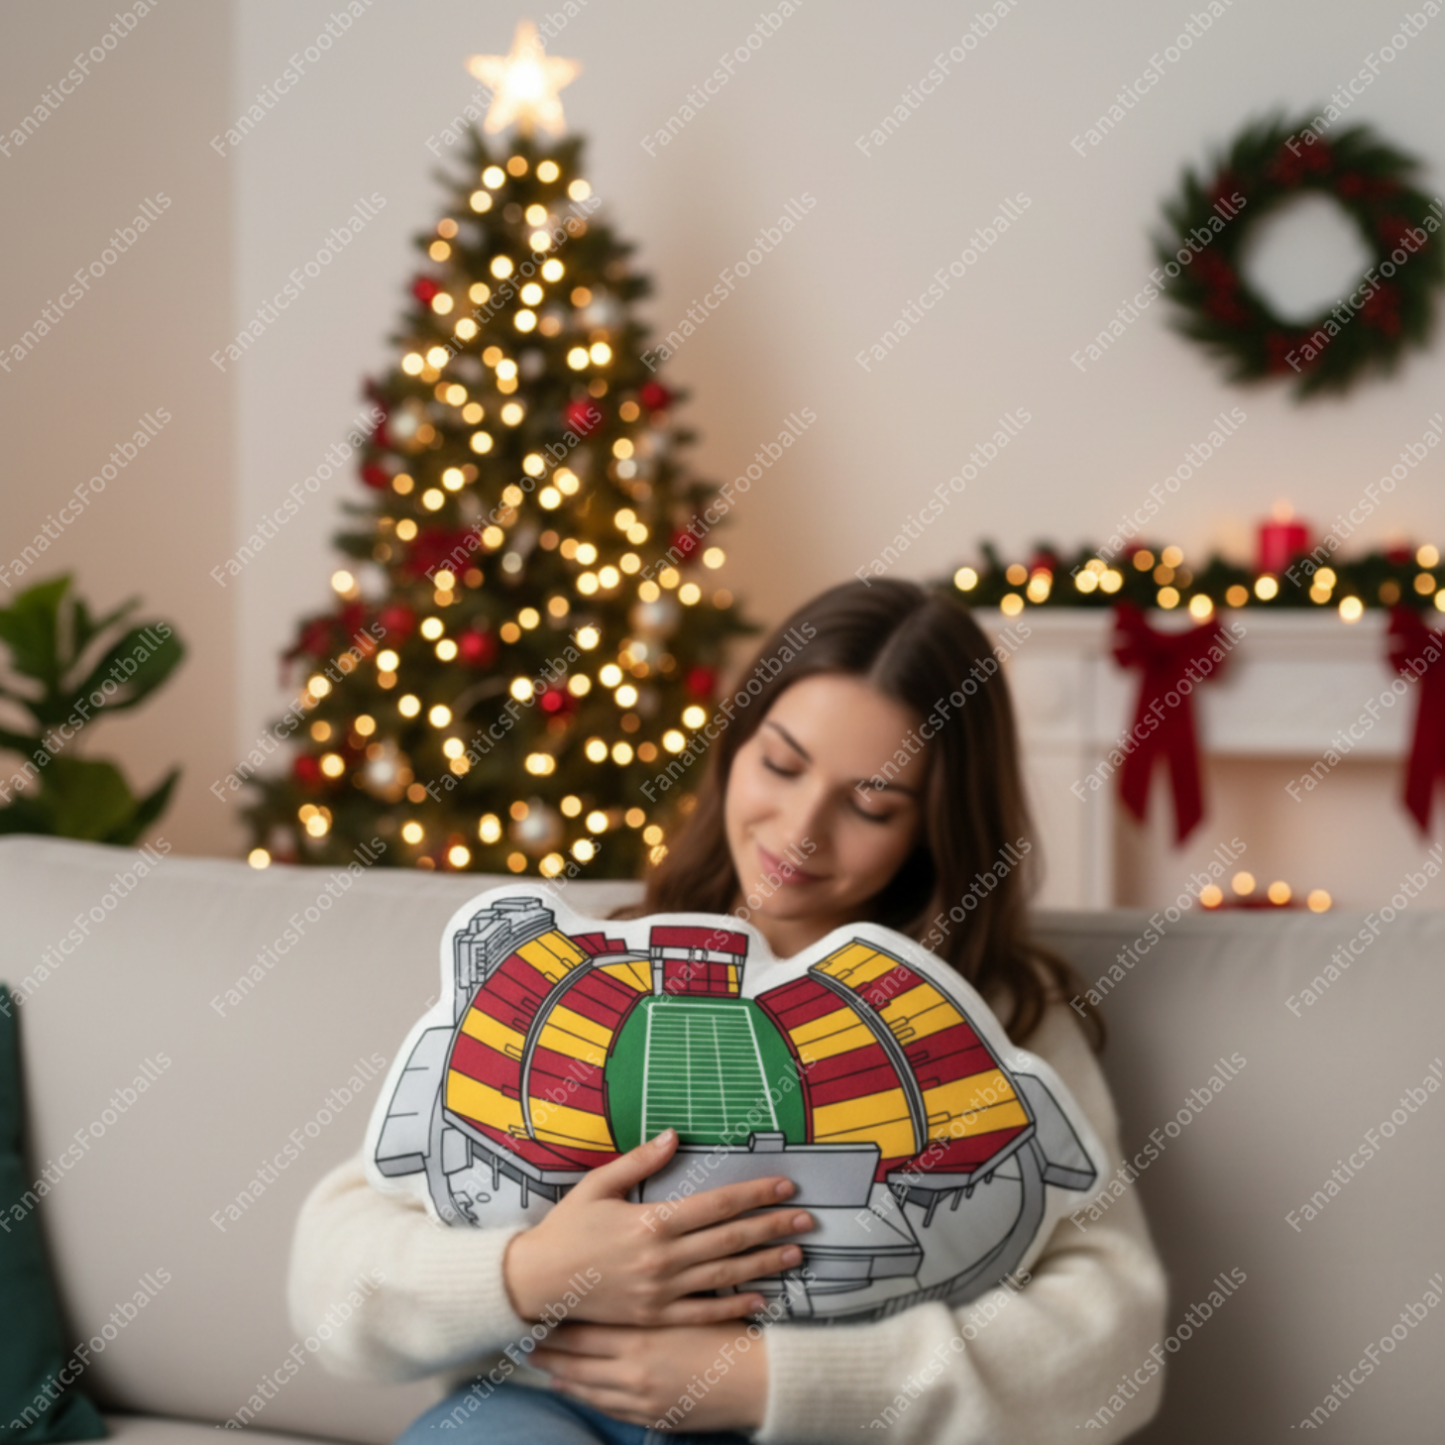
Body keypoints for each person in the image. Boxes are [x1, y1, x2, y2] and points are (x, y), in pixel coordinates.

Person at [287, 578, 1169, 1444]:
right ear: (734, 746)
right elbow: (332, 1269)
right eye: (780, 764)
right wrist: (539, 1270)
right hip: (541, 1404)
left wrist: (768, 1380)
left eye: (870, 804)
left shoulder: (999, 1012)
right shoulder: (595, 949)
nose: (800, 830)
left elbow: (1109, 1339)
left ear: (933, 828)